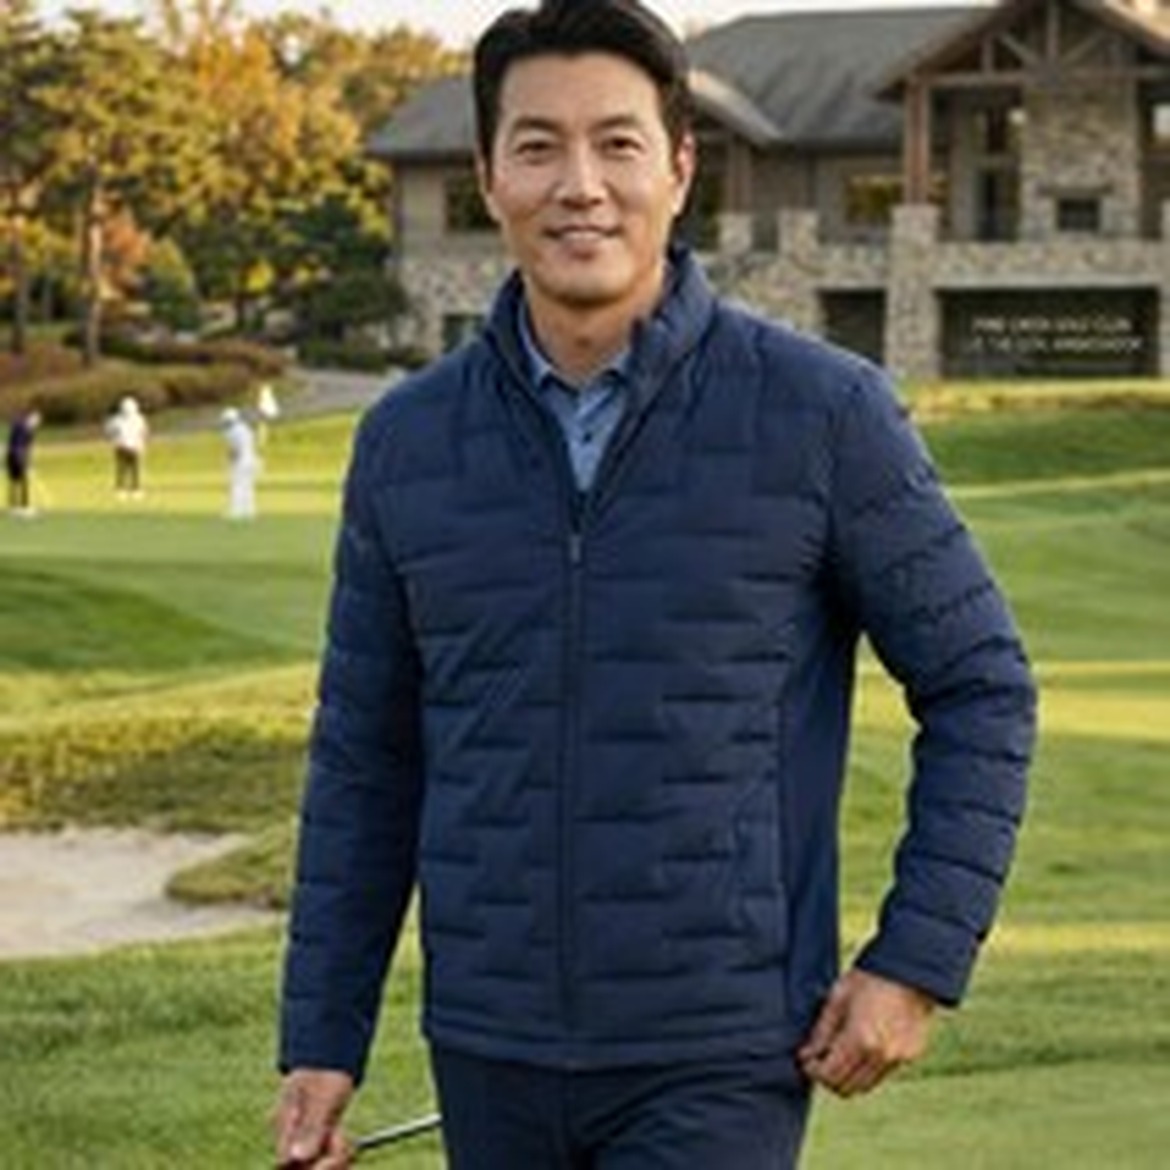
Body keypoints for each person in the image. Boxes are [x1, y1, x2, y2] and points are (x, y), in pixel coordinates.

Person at [274, 2, 1037, 1167]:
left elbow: (982, 686)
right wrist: (323, 1037)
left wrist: (916, 962)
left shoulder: (823, 415)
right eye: (539, 146)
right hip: (488, 1045)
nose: (580, 185)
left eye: (617, 143)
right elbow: (365, 759)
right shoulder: (405, 444)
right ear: (488, 176)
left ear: (680, 169)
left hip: (721, 1052)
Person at [105, 395, 149, 498]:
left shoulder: (120, 419)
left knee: (130, 470)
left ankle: (130, 489)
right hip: (126, 447)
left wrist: (113, 440)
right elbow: (144, 432)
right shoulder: (122, 419)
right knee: (127, 469)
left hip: (129, 446)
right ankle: (129, 489)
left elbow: (144, 432)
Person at [220, 407, 259, 520]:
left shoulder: (232, 431)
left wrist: (229, 461)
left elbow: (235, 450)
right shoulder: (246, 428)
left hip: (241, 460)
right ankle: (249, 511)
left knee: (237, 486)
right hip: (252, 459)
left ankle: (236, 512)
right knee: (248, 486)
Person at [6, 409, 42, 515]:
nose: (37, 423)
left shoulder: (30, 431)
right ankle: (19, 506)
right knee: (18, 481)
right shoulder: (22, 427)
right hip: (14, 456)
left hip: (16, 456)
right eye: (36, 420)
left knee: (20, 481)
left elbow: (28, 449)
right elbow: (18, 446)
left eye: (38, 421)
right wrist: (23, 463)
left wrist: (29, 463)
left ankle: (20, 505)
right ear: (30, 418)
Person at [256, 381, 281, 448]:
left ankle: (263, 441)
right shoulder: (266, 391)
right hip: (266, 410)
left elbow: (262, 402)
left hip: (264, 410)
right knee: (263, 425)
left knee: (263, 425)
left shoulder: (264, 392)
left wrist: (260, 409)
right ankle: (263, 440)